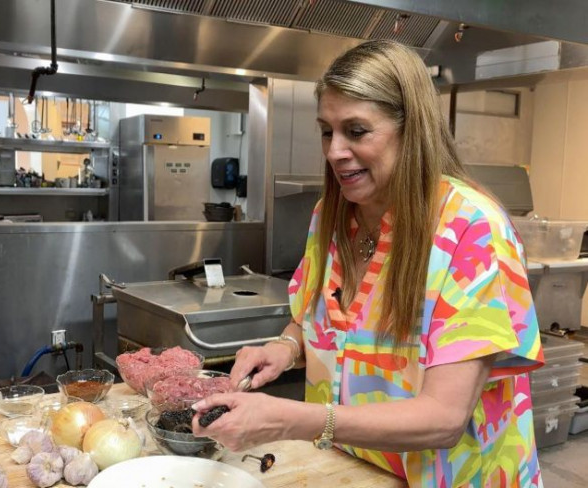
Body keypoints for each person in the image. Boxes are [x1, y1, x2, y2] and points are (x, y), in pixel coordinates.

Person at [192, 39, 545, 487]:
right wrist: (284, 349)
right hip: (355, 471)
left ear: (411, 130)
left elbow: (444, 418)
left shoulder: (471, 229)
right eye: (327, 131)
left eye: (356, 131)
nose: (334, 151)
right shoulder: (332, 215)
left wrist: (292, 419)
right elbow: (313, 318)